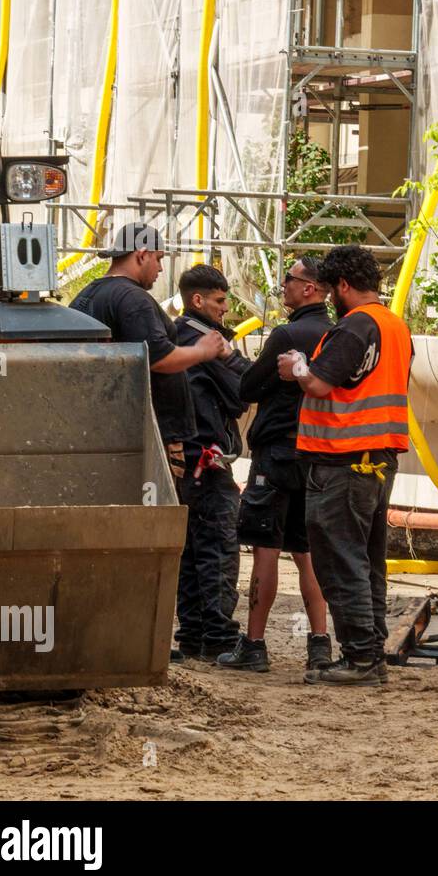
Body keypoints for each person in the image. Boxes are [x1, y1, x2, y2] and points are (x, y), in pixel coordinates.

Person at [278, 244, 411, 687]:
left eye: (333, 288)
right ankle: (371, 651)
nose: (330, 298)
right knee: (367, 560)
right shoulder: (395, 327)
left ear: (345, 286)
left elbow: (317, 383)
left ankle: (359, 658)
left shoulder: (354, 328)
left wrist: (295, 367)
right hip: (376, 461)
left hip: (342, 461)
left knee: (339, 561)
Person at [219, 257, 333, 673]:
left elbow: (249, 386)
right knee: (307, 550)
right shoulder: (336, 334)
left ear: (310, 288)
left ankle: (254, 645)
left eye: (290, 279)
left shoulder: (289, 333)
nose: (282, 286)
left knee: (265, 547)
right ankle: (320, 644)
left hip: (277, 453)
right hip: (319, 455)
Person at [69, 223, 225, 480]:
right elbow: (159, 358)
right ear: (142, 254)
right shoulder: (133, 298)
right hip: (146, 435)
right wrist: (202, 350)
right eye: (159, 259)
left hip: (107, 428)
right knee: (157, 510)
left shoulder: (88, 294)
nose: (161, 269)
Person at [171, 264, 251, 661]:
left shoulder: (173, 339)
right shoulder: (206, 344)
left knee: (188, 552)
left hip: (182, 459)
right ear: (197, 300)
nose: (225, 309)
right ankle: (218, 635)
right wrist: (233, 358)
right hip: (209, 457)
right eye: (220, 301)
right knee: (218, 548)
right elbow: (241, 395)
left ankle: (193, 634)